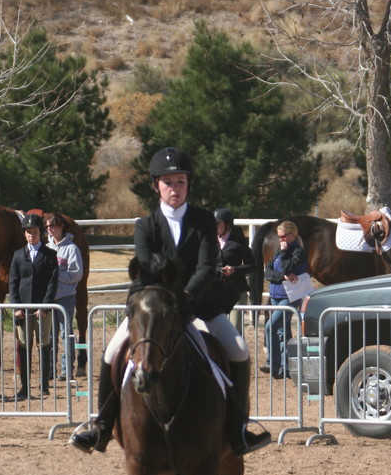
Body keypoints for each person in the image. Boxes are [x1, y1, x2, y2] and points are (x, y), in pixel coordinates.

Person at [69, 146, 271, 457]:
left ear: (189, 184)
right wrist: (164, 302)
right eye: (167, 182)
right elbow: (146, 267)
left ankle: (237, 428)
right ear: (156, 186)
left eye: (179, 182)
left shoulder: (203, 221)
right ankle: (102, 425)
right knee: (112, 351)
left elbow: (207, 267)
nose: (173, 188)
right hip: (153, 310)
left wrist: (187, 297)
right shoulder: (145, 225)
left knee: (238, 349)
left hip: (198, 305)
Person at [9, 213, 59, 401]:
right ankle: (24, 387)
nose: (32, 235)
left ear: (41, 233)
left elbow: (52, 283)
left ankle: (44, 385)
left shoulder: (50, 255)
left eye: (35, 232)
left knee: (44, 344)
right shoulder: (17, 256)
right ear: (25, 234)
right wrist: (16, 307)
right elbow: (13, 283)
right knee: (23, 345)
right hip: (23, 309)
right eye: (29, 232)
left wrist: (44, 307)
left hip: (42, 309)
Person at [262, 220, 309, 379]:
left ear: (292, 235)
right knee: (283, 330)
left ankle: (272, 363)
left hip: (291, 296)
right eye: (279, 237)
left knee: (270, 326)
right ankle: (287, 367)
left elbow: (287, 267)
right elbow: (268, 273)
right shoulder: (278, 251)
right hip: (276, 295)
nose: (280, 240)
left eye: (283, 237)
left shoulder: (299, 252)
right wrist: (282, 276)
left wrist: (283, 255)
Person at [45, 211, 83, 381]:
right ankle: (51, 369)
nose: (49, 229)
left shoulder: (71, 249)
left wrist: (56, 276)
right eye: (47, 226)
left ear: (60, 227)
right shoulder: (46, 249)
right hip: (49, 298)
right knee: (49, 335)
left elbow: (76, 273)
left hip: (65, 297)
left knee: (65, 333)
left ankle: (67, 369)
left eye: (52, 226)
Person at [215, 208, 254, 332]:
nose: (215, 226)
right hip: (216, 290)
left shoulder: (239, 242)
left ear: (227, 225)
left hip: (236, 291)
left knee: (235, 329)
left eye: (218, 223)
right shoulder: (209, 242)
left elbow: (252, 265)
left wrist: (235, 269)